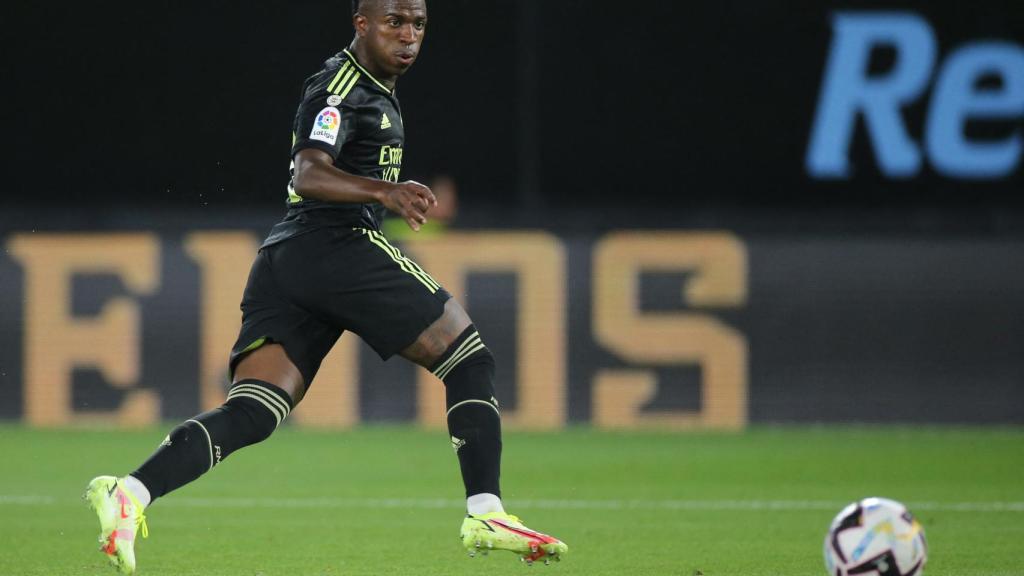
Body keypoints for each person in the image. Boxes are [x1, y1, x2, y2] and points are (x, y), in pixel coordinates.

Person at [83, 0, 568, 573]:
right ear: (361, 24)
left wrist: (382, 193)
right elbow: (308, 172)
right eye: (394, 22)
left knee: (254, 411)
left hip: (288, 261)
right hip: (335, 245)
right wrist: (385, 192)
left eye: (418, 24)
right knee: (469, 358)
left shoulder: (372, 89)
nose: (408, 36)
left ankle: (130, 493)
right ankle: (486, 512)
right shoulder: (340, 86)